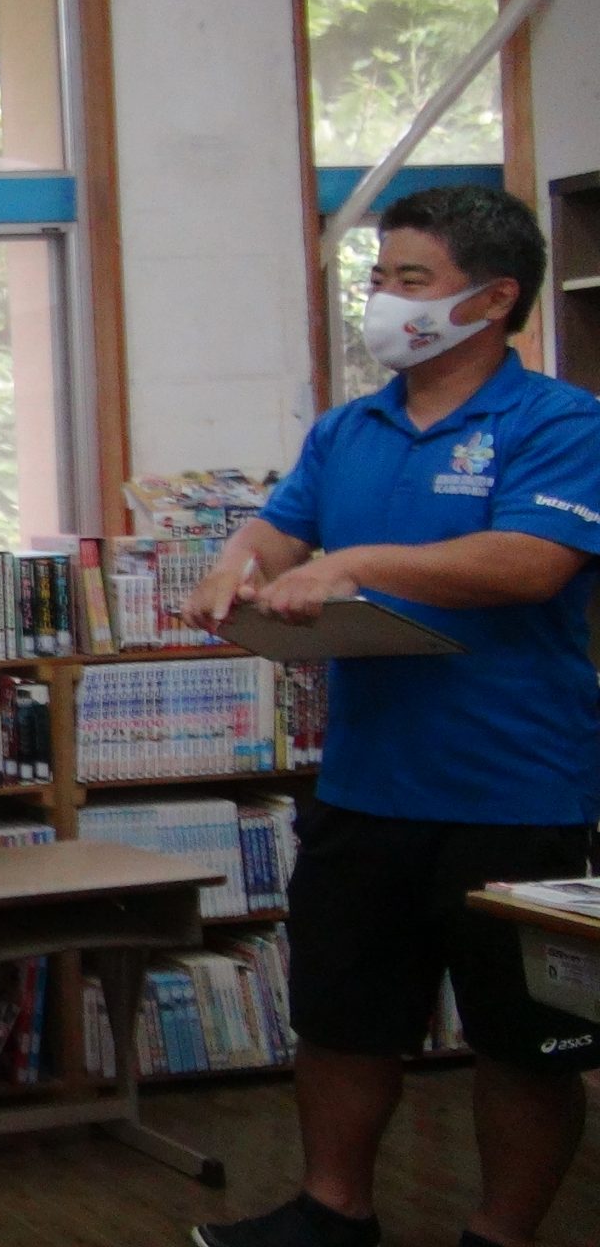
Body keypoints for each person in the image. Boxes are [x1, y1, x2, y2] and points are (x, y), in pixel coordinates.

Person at [185, 186, 599, 1247]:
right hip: (365, 786)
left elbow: (531, 563)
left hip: (515, 796)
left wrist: (358, 564)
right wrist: (234, 566)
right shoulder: (348, 428)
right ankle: (332, 1212)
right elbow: (278, 531)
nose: (384, 301)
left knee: (521, 1042)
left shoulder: (560, 423)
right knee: (341, 1019)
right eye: (378, 278)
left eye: (412, 279)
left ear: (493, 298)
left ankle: (500, 1234)